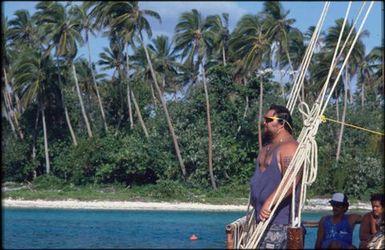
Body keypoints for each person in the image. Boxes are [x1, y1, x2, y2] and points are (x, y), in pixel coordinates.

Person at [250, 104, 301, 249]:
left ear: (281, 123)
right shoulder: (267, 147)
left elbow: (291, 181)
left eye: (268, 119)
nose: (264, 123)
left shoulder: (290, 147)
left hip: (277, 222)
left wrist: (269, 202)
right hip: (259, 219)